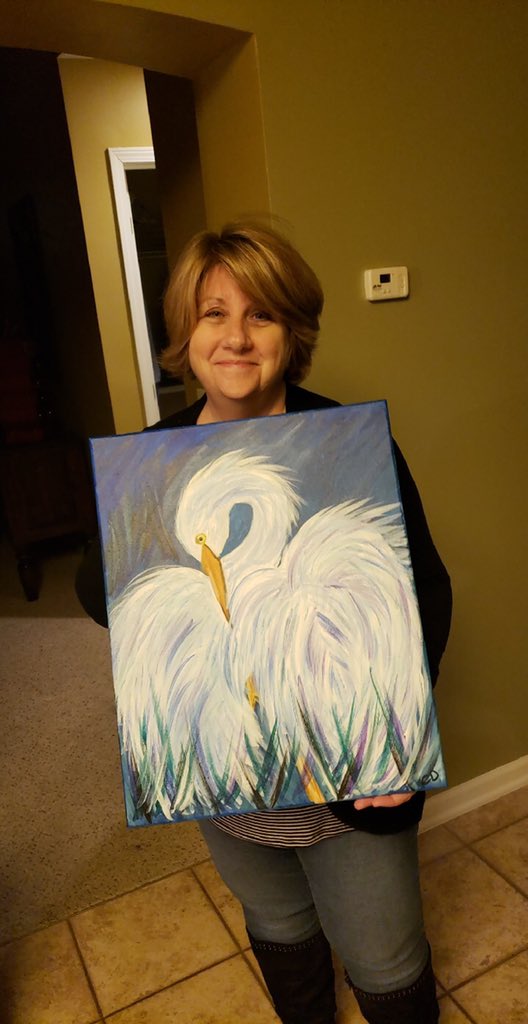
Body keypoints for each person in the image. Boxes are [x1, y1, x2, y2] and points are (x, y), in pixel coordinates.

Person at [76, 222, 452, 1024]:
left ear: (294, 333)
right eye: (213, 314)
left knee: (386, 957)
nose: (236, 338)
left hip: (355, 782)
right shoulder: (149, 463)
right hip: (232, 780)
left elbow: (429, 592)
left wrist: (397, 738)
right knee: (278, 922)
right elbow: (96, 591)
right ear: (186, 333)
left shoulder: (352, 448)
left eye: (262, 315)